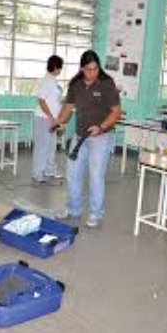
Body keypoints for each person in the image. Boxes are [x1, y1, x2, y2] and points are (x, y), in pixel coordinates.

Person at [56, 50, 122, 228]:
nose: (92, 73)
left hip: (101, 137)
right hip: (79, 137)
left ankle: (95, 213)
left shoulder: (107, 84)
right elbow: (68, 108)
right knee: (72, 174)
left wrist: (100, 127)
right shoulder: (75, 84)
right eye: (88, 69)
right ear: (82, 68)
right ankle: (73, 209)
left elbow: (116, 112)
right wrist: (59, 121)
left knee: (95, 176)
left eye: (95, 69)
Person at [32, 55, 64, 183]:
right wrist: (51, 117)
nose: (61, 70)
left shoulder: (54, 80)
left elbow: (55, 100)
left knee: (51, 146)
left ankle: (50, 170)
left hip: (52, 119)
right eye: (60, 67)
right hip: (43, 118)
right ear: (55, 67)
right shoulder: (47, 80)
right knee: (42, 146)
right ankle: (37, 173)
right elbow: (41, 100)